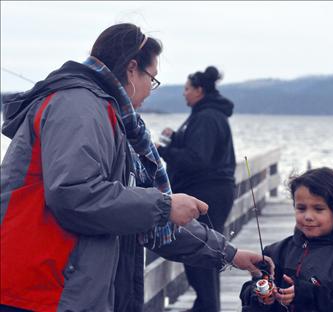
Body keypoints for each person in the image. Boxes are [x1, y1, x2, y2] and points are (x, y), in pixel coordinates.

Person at [0, 23, 271, 312]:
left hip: (66, 290)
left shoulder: (112, 119)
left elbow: (140, 215)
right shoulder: (78, 106)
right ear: (131, 69)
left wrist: (229, 253)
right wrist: (164, 205)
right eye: (152, 79)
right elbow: (74, 195)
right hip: (38, 291)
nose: (151, 91)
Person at [239, 167, 333, 312]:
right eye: (301, 208)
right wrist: (258, 295)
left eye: (318, 209)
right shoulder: (275, 253)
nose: (308, 216)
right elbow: (250, 293)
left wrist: (305, 294)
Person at [157, 66, 236, 312]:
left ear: (199, 90)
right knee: (207, 253)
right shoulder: (205, 115)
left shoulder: (206, 117)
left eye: (187, 89)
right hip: (212, 190)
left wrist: (163, 151)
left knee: (201, 254)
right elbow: (201, 150)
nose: (184, 94)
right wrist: (177, 138)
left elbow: (198, 159)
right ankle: (207, 305)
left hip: (207, 193)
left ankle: (207, 306)